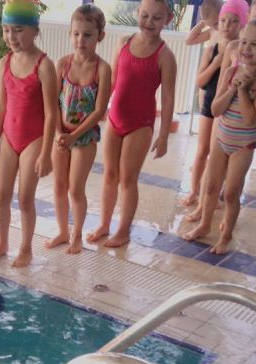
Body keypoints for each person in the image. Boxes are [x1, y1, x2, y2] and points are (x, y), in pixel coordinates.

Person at [181, 16, 256, 254]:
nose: (246, 48)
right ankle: (204, 225)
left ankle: (226, 235)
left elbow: (250, 119)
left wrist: (244, 90)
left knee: (231, 193)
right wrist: (231, 88)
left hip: (242, 145)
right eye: (244, 42)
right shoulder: (230, 71)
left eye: (255, 44)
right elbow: (216, 109)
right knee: (210, 187)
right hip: (221, 139)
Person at [85, 0, 177, 248]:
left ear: (168, 19)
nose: (149, 22)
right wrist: (97, 110)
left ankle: (123, 231)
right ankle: (104, 224)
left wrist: (164, 135)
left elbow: (168, 98)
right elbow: (113, 81)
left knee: (127, 178)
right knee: (109, 174)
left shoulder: (165, 56)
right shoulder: (123, 43)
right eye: (145, 15)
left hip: (140, 124)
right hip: (116, 118)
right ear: (138, 13)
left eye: (157, 18)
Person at [0, 0, 59, 268]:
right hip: (9, 138)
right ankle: (2, 243)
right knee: (1, 195)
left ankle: (26, 248)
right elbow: (1, 107)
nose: (11, 37)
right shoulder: (3, 63)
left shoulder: (44, 65)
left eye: (18, 30)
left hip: (33, 140)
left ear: (35, 30)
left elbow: (51, 113)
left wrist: (46, 153)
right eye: (7, 30)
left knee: (25, 198)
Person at [45, 3, 112, 255]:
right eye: (76, 34)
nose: (80, 40)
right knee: (58, 186)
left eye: (87, 35)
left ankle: (76, 235)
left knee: (75, 189)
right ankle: (62, 231)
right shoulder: (63, 64)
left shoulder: (102, 69)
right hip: (61, 135)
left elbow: (99, 111)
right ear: (70, 33)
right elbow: (52, 103)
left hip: (84, 138)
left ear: (100, 36)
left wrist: (74, 136)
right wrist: (57, 134)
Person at [182, 0, 248, 215]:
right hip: (211, 102)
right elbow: (200, 81)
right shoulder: (212, 47)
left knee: (219, 155)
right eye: (222, 21)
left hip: (230, 107)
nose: (226, 26)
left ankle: (211, 195)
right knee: (203, 150)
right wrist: (217, 62)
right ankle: (194, 191)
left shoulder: (244, 51)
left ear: (242, 23)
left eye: (233, 21)